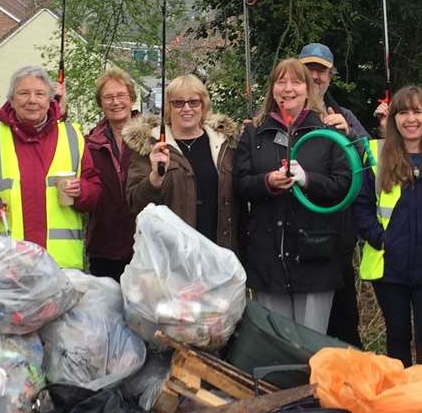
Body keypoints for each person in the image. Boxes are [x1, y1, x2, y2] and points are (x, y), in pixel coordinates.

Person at [232, 58, 353, 333]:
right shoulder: (254, 133)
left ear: (308, 88)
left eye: (296, 82)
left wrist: (309, 180)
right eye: (281, 81)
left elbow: (343, 185)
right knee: (276, 344)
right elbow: (239, 183)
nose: (288, 89)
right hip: (268, 258)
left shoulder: (328, 132)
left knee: (310, 344)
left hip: (315, 257)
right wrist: (267, 182)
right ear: (272, 88)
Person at [353, 86, 422, 365]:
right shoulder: (374, 155)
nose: (410, 119)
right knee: (398, 336)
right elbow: (361, 206)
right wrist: (380, 239)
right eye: (402, 112)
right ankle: (402, 400)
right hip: (389, 266)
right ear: (393, 118)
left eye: (417, 111)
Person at [0, 65, 102, 268]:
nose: (32, 100)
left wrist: (81, 191)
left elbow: (94, 191)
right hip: (6, 266)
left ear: (49, 100)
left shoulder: (72, 136)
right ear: (12, 100)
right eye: (24, 93)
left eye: (40, 94)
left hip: (59, 267)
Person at [299, 42, 369, 346]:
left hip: (335, 234)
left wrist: (350, 136)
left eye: (321, 70)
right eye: (309, 69)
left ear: (331, 75)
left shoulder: (345, 115)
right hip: (292, 232)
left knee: (343, 317)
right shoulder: (282, 113)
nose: (315, 76)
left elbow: (371, 163)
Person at [124, 74, 239, 251]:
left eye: (194, 102)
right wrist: (154, 178)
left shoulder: (224, 144)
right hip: (172, 256)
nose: (187, 108)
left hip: (218, 253)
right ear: (168, 107)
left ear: (203, 105)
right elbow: (135, 203)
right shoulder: (151, 145)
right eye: (178, 103)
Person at [84, 67, 139, 280]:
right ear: (101, 104)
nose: (116, 102)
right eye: (108, 97)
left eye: (121, 95)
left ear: (132, 99)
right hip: (104, 246)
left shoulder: (153, 137)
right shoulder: (89, 145)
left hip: (144, 245)